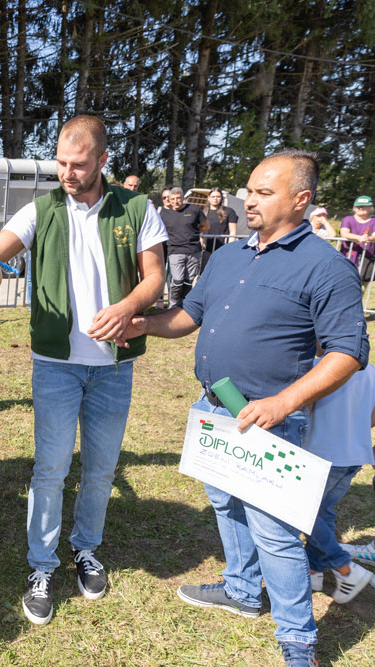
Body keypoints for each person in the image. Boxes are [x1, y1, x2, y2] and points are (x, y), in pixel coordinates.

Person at [122, 150, 368, 667]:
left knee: (275, 533)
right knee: (223, 501)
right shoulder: (232, 253)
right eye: (249, 190)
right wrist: (146, 323)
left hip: (270, 422)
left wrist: (283, 403)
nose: (248, 200)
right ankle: (241, 588)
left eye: (263, 192)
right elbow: (191, 313)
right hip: (213, 407)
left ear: (301, 200)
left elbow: (347, 353)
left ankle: (299, 644)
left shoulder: (328, 268)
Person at [0, 115, 167, 626]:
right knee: (50, 470)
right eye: (60, 162)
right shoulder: (40, 211)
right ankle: (41, 567)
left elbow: (155, 279)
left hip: (113, 367)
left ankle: (86, 549)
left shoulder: (138, 208)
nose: (66, 172)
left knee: (101, 470)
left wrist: (127, 308)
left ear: (103, 160)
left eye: (78, 164)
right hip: (56, 367)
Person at [303, 347, 374, 604]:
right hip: (355, 455)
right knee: (323, 513)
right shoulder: (370, 371)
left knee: (304, 513)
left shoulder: (314, 367)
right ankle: (313, 572)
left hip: (321, 454)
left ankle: (345, 568)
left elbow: (305, 410)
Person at [160, 186, 208, 306]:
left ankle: (184, 305)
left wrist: (194, 233)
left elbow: (206, 226)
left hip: (193, 250)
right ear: (169, 200)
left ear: (183, 198)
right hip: (175, 250)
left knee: (188, 281)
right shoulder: (164, 214)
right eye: (172, 199)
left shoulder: (194, 210)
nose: (175, 201)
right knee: (177, 280)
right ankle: (173, 305)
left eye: (178, 198)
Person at [337, 195, 375, 279]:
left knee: (362, 287)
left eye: (363, 206)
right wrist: (359, 238)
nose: (360, 208)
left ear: (370, 207)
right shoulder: (348, 219)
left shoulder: (374, 221)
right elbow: (344, 233)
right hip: (348, 257)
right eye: (358, 206)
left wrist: (369, 238)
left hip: (367, 258)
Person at [203, 187, 238, 257]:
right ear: (208, 198)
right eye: (213, 196)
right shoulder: (203, 213)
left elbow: (233, 232)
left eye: (218, 196)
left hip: (223, 249)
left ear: (221, 198)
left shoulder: (229, 211)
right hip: (205, 250)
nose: (215, 199)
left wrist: (228, 248)